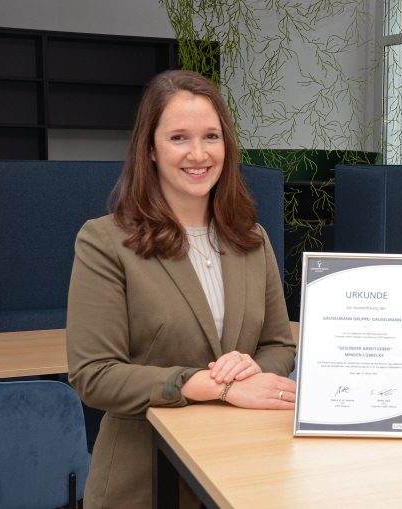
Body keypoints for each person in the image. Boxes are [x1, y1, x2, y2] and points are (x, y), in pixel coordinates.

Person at [66, 70, 296, 507]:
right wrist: (216, 385)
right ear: (149, 149)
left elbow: (278, 345)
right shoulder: (105, 241)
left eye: (211, 136)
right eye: (178, 138)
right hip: (145, 478)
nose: (198, 153)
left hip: (241, 471)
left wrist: (249, 367)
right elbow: (94, 375)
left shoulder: (252, 238)